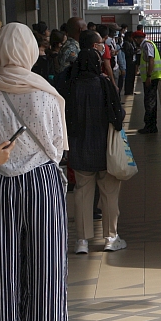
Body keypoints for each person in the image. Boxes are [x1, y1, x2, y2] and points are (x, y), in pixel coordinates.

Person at [0, 23, 71, 321]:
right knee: (47, 260)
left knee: (1, 262)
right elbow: (57, 145)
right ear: (28, 52)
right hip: (41, 180)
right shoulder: (45, 93)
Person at [64, 42, 126, 254]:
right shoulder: (104, 83)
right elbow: (118, 115)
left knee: (82, 194)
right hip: (104, 149)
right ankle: (111, 237)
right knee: (109, 193)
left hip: (79, 149)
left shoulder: (71, 86)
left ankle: (82, 241)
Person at [134, 30, 161, 134]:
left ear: (137, 39)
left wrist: (148, 76)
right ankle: (151, 125)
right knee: (150, 101)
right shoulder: (146, 45)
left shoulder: (147, 45)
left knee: (150, 102)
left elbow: (151, 60)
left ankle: (150, 127)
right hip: (151, 77)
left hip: (151, 78)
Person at [122, 31, 138, 95]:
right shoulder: (126, 43)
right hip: (129, 63)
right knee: (129, 77)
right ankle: (128, 91)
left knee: (132, 77)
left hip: (132, 62)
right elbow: (127, 53)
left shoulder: (131, 43)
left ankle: (131, 90)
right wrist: (134, 52)